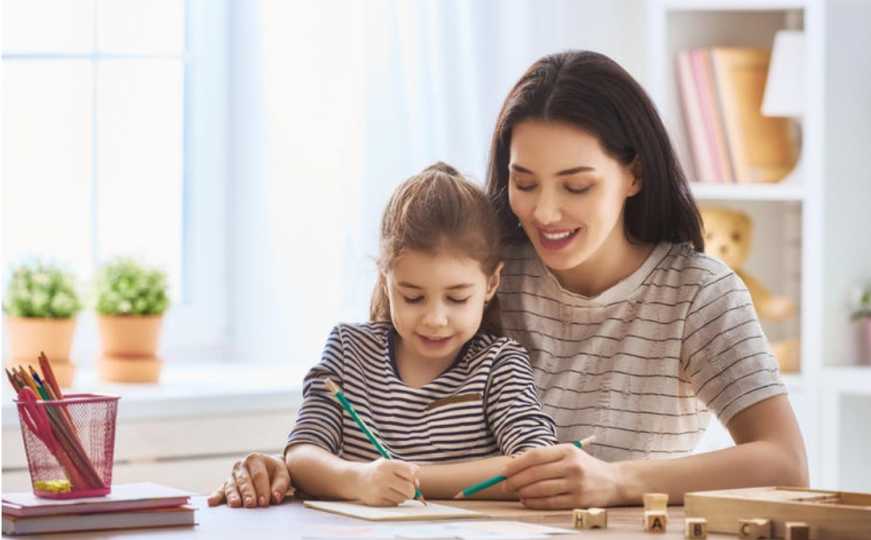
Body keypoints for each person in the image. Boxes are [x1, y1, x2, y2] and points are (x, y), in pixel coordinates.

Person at [209, 50, 807, 510]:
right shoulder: (486, 269)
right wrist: (303, 468)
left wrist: (619, 479)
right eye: (524, 183)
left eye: (576, 186)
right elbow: (381, 404)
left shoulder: (697, 292)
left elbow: (784, 464)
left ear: (633, 175)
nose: (545, 213)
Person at [211, 163, 557, 508]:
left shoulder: (499, 363)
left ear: (491, 284)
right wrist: (358, 481)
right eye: (412, 297)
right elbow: (303, 454)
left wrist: (411, 480)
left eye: (457, 298)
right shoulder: (349, 350)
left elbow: (539, 464)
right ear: (385, 281)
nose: (435, 320)